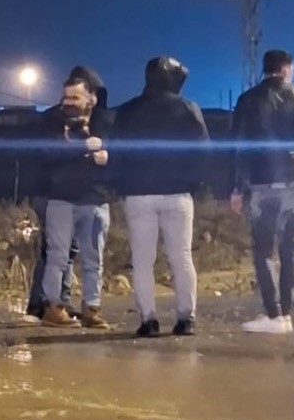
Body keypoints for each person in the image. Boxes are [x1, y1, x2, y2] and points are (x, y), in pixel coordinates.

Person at [230, 49, 294, 333]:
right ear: (286, 68)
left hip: (263, 184)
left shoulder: (247, 100)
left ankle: (272, 314)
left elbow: (238, 148)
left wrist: (236, 187)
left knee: (263, 251)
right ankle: (285, 314)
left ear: (267, 69)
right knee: (291, 248)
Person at [111, 56, 210, 337]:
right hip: (178, 193)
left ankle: (149, 320)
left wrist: (123, 184)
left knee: (143, 260)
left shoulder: (128, 111)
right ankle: (185, 318)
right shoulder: (187, 108)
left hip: (139, 195)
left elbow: (116, 151)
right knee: (181, 257)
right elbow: (203, 150)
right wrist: (193, 181)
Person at [25, 65, 110, 322]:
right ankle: (51, 307)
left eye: (75, 97)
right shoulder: (52, 120)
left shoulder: (105, 121)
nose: (68, 102)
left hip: (95, 199)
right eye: (66, 97)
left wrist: (108, 159)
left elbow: (124, 155)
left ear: (92, 97)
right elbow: (46, 153)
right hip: (60, 197)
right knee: (57, 255)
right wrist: (82, 147)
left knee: (92, 258)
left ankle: (90, 309)